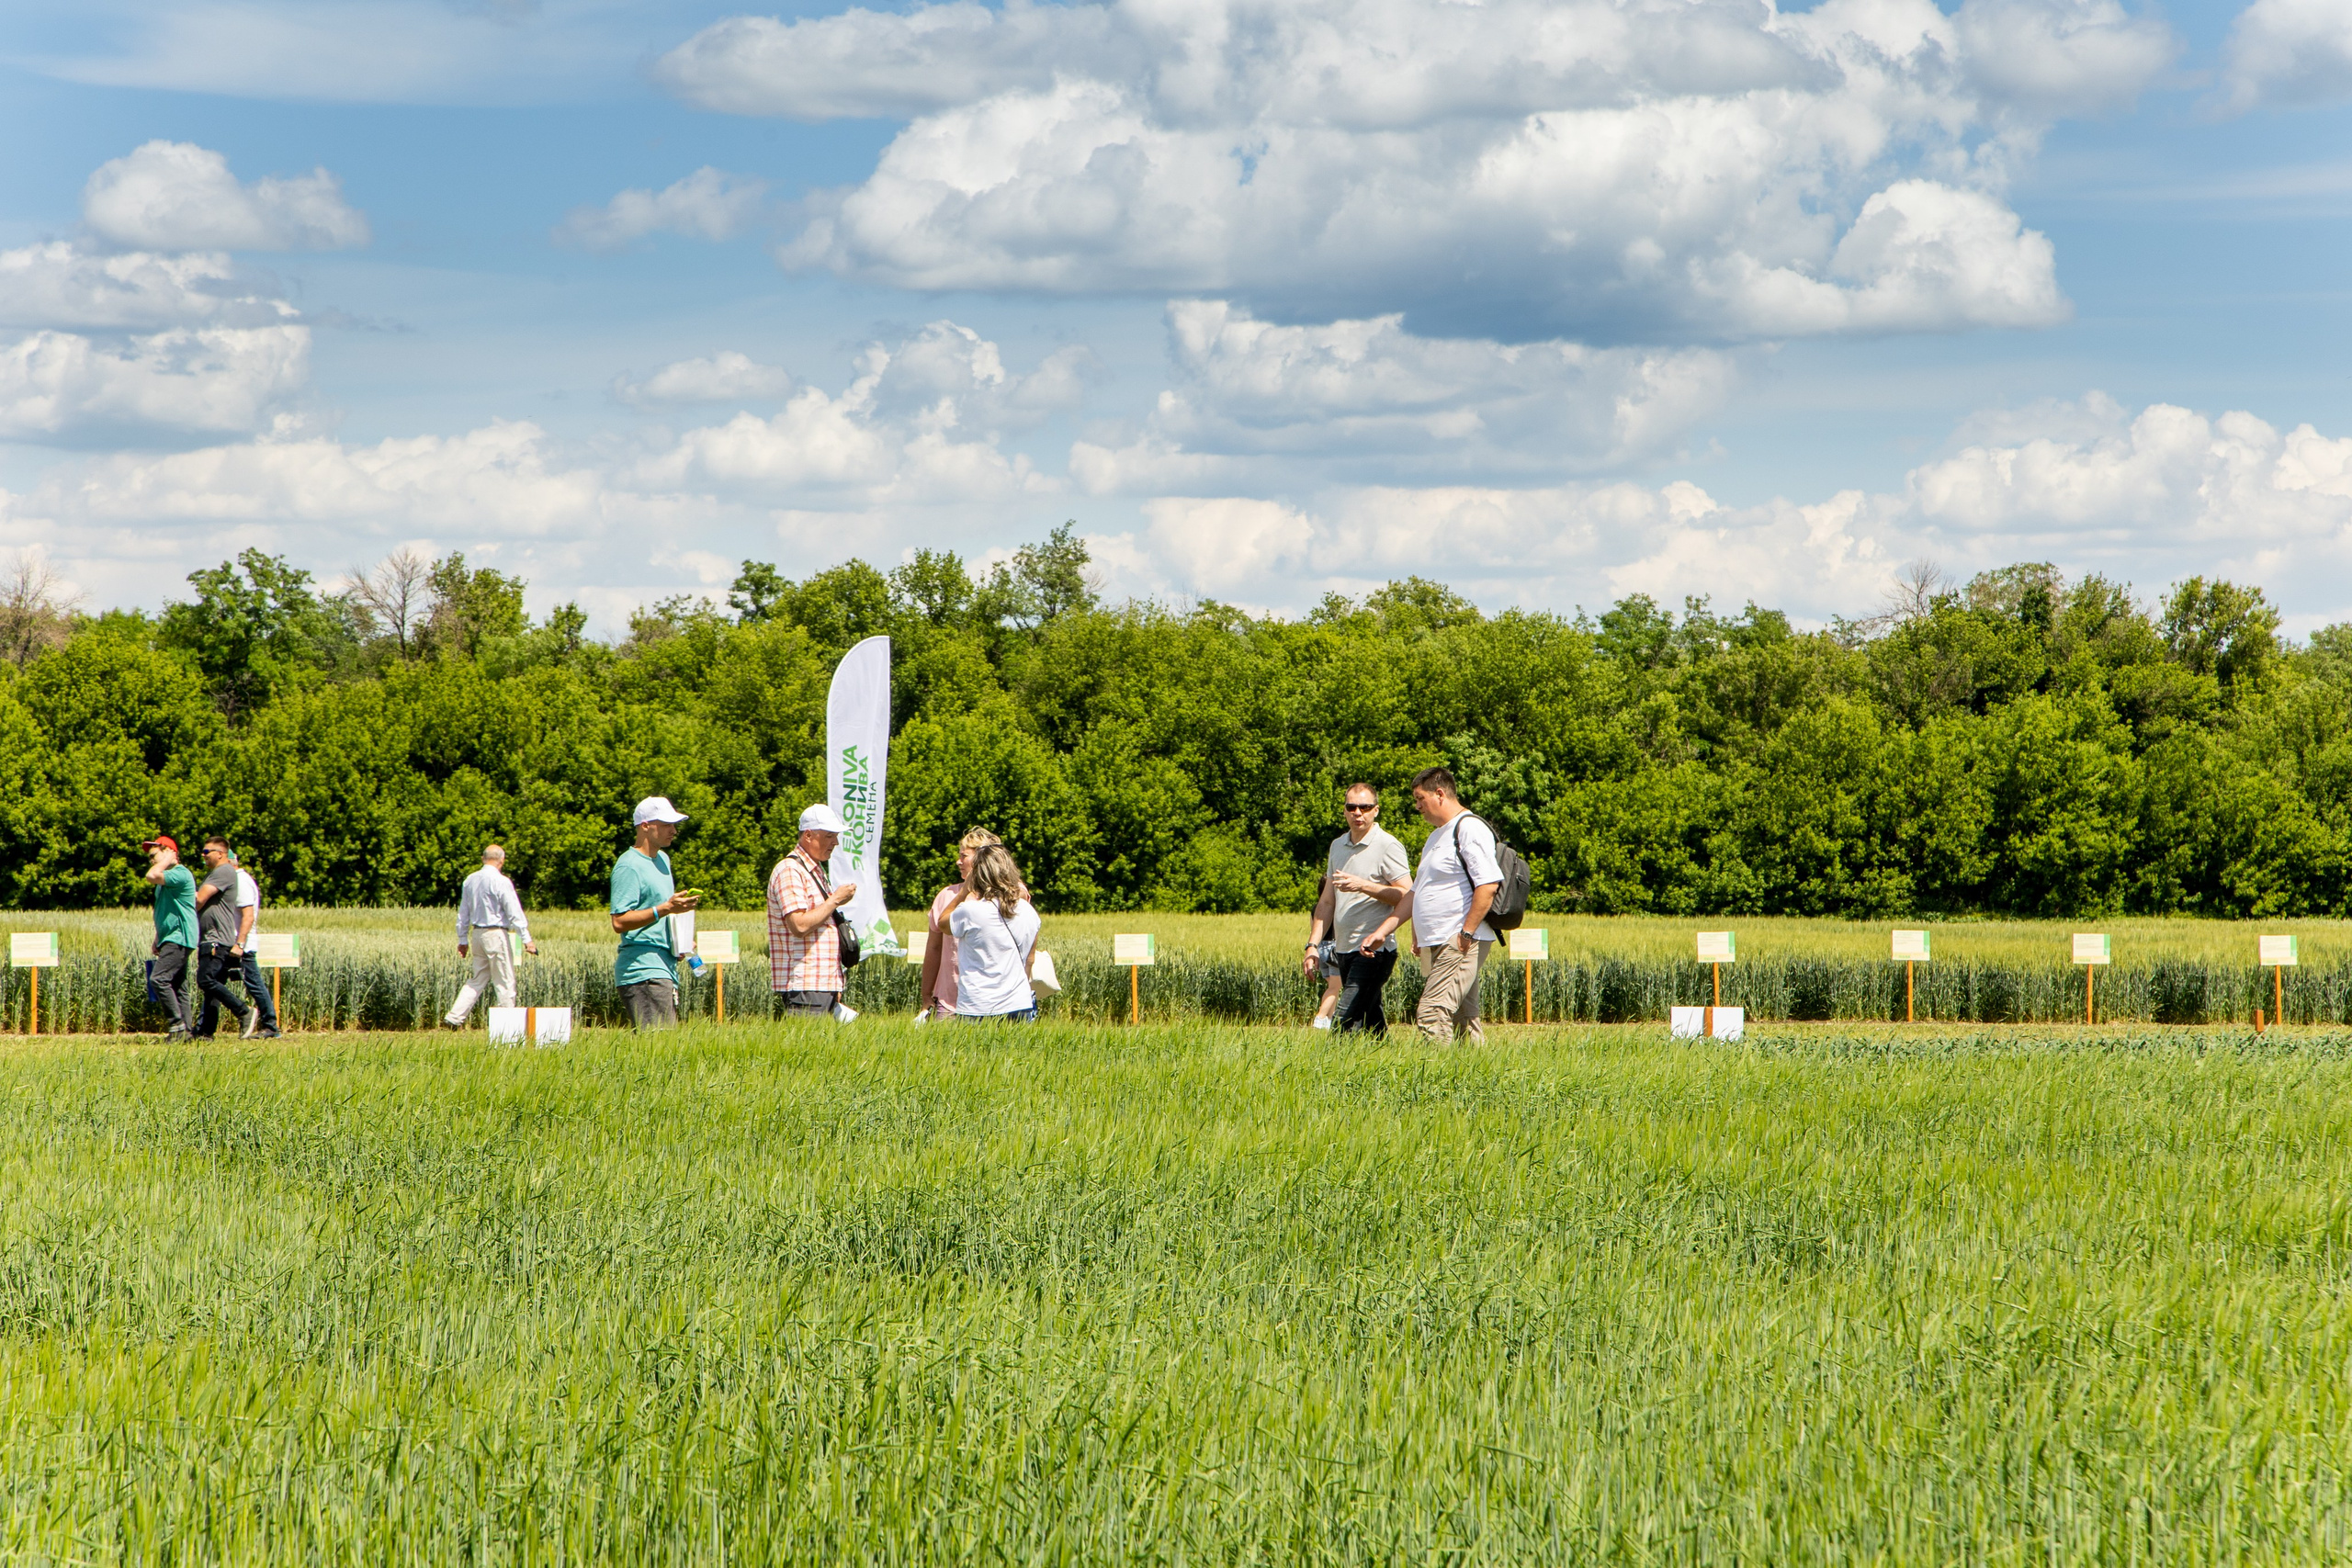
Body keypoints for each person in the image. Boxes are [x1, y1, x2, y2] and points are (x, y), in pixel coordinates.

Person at [1361, 767, 1501, 1043]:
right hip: (1439, 941)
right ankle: (1478, 1079)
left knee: (1431, 1012)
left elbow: (1488, 885)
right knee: (1464, 1018)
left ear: (1439, 794)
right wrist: (1384, 931)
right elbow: (1416, 893)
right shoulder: (1436, 836)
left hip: (1459, 939)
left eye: (1419, 798)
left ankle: (1439, 1081)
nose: (1417, 807)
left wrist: (1466, 934)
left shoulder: (1469, 827)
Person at [1302, 783, 1411, 1033]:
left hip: (1374, 951)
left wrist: (1364, 886)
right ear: (1344, 810)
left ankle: (1328, 1069)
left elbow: (1407, 895)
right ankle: (1384, 1062)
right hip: (1343, 950)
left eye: (1365, 807)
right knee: (1373, 1024)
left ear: (1376, 810)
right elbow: (1326, 903)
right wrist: (1312, 947)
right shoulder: (1337, 846)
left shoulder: (1388, 845)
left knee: (1345, 1021)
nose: (1358, 813)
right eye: (1352, 807)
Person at [609, 797, 700, 1029]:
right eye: (667, 824)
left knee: (661, 1051)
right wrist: (666, 908)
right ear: (645, 826)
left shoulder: (663, 860)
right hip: (643, 970)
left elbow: (662, 912)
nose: (674, 830)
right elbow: (619, 921)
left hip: (665, 965)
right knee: (659, 1048)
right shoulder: (628, 865)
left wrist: (678, 941)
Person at [766, 803, 858, 1018]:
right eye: (829, 836)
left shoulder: (814, 871)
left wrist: (834, 982)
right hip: (806, 986)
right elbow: (799, 925)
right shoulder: (790, 870)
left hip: (820, 984)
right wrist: (835, 899)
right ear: (808, 835)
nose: (835, 842)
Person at [917, 828, 1005, 1021]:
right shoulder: (946, 895)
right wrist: (926, 994)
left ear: (983, 858)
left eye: (963, 856)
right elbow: (933, 948)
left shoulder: (1006, 895)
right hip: (950, 1002)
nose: (958, 862)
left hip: (994, 1003)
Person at [946, 844, 1041, 1022]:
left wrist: (964, 892)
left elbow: (943, 923)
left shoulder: (970, 910)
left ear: (979, 875)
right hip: (1020, 1003)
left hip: (977, 1005)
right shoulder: (1029, 912)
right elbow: (1029, 960)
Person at [447, 844, 537, 1028]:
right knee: (505, 980)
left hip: (477, 934)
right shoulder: (502, 881)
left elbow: (463, 913)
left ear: (483, 858)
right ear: (501, 861)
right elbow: (514, 913)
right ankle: (509, 1025)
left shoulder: (470, 880)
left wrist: (462, 940)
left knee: (477, 979)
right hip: (496, 934)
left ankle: (454, 1017)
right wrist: (527, 939)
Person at [191, 836, 257, 1039]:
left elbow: (199, 899)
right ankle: (206, 1031)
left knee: (205, 979)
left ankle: (244, 1011)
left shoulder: (223, 871)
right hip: (212, 937)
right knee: (211, 987)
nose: (203, 856)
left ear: (220, 853)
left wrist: (179, 889)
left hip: (216, 938)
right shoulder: (217, 873)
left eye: (206, 852)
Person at [141, 834, 198, 1040]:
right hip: (172, 936)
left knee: (159, 979)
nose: (151, 860)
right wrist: (159, 936)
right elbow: (167, 910)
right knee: (178, 985)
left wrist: (166, 861)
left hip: (180, 936)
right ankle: (187, 1031)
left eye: (154, 855)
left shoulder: (179, 873)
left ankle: (177, 1027)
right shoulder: (166, 877)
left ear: (168, 852)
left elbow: (151, 876)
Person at [231, 853, 280, 1038]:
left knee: (254, 983)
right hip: (239, 943)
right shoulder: (240, 880)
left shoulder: (240, 881)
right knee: (213, 981)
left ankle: (270, 1025)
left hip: (242, 945)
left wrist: (240, 943)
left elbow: (248, 916)